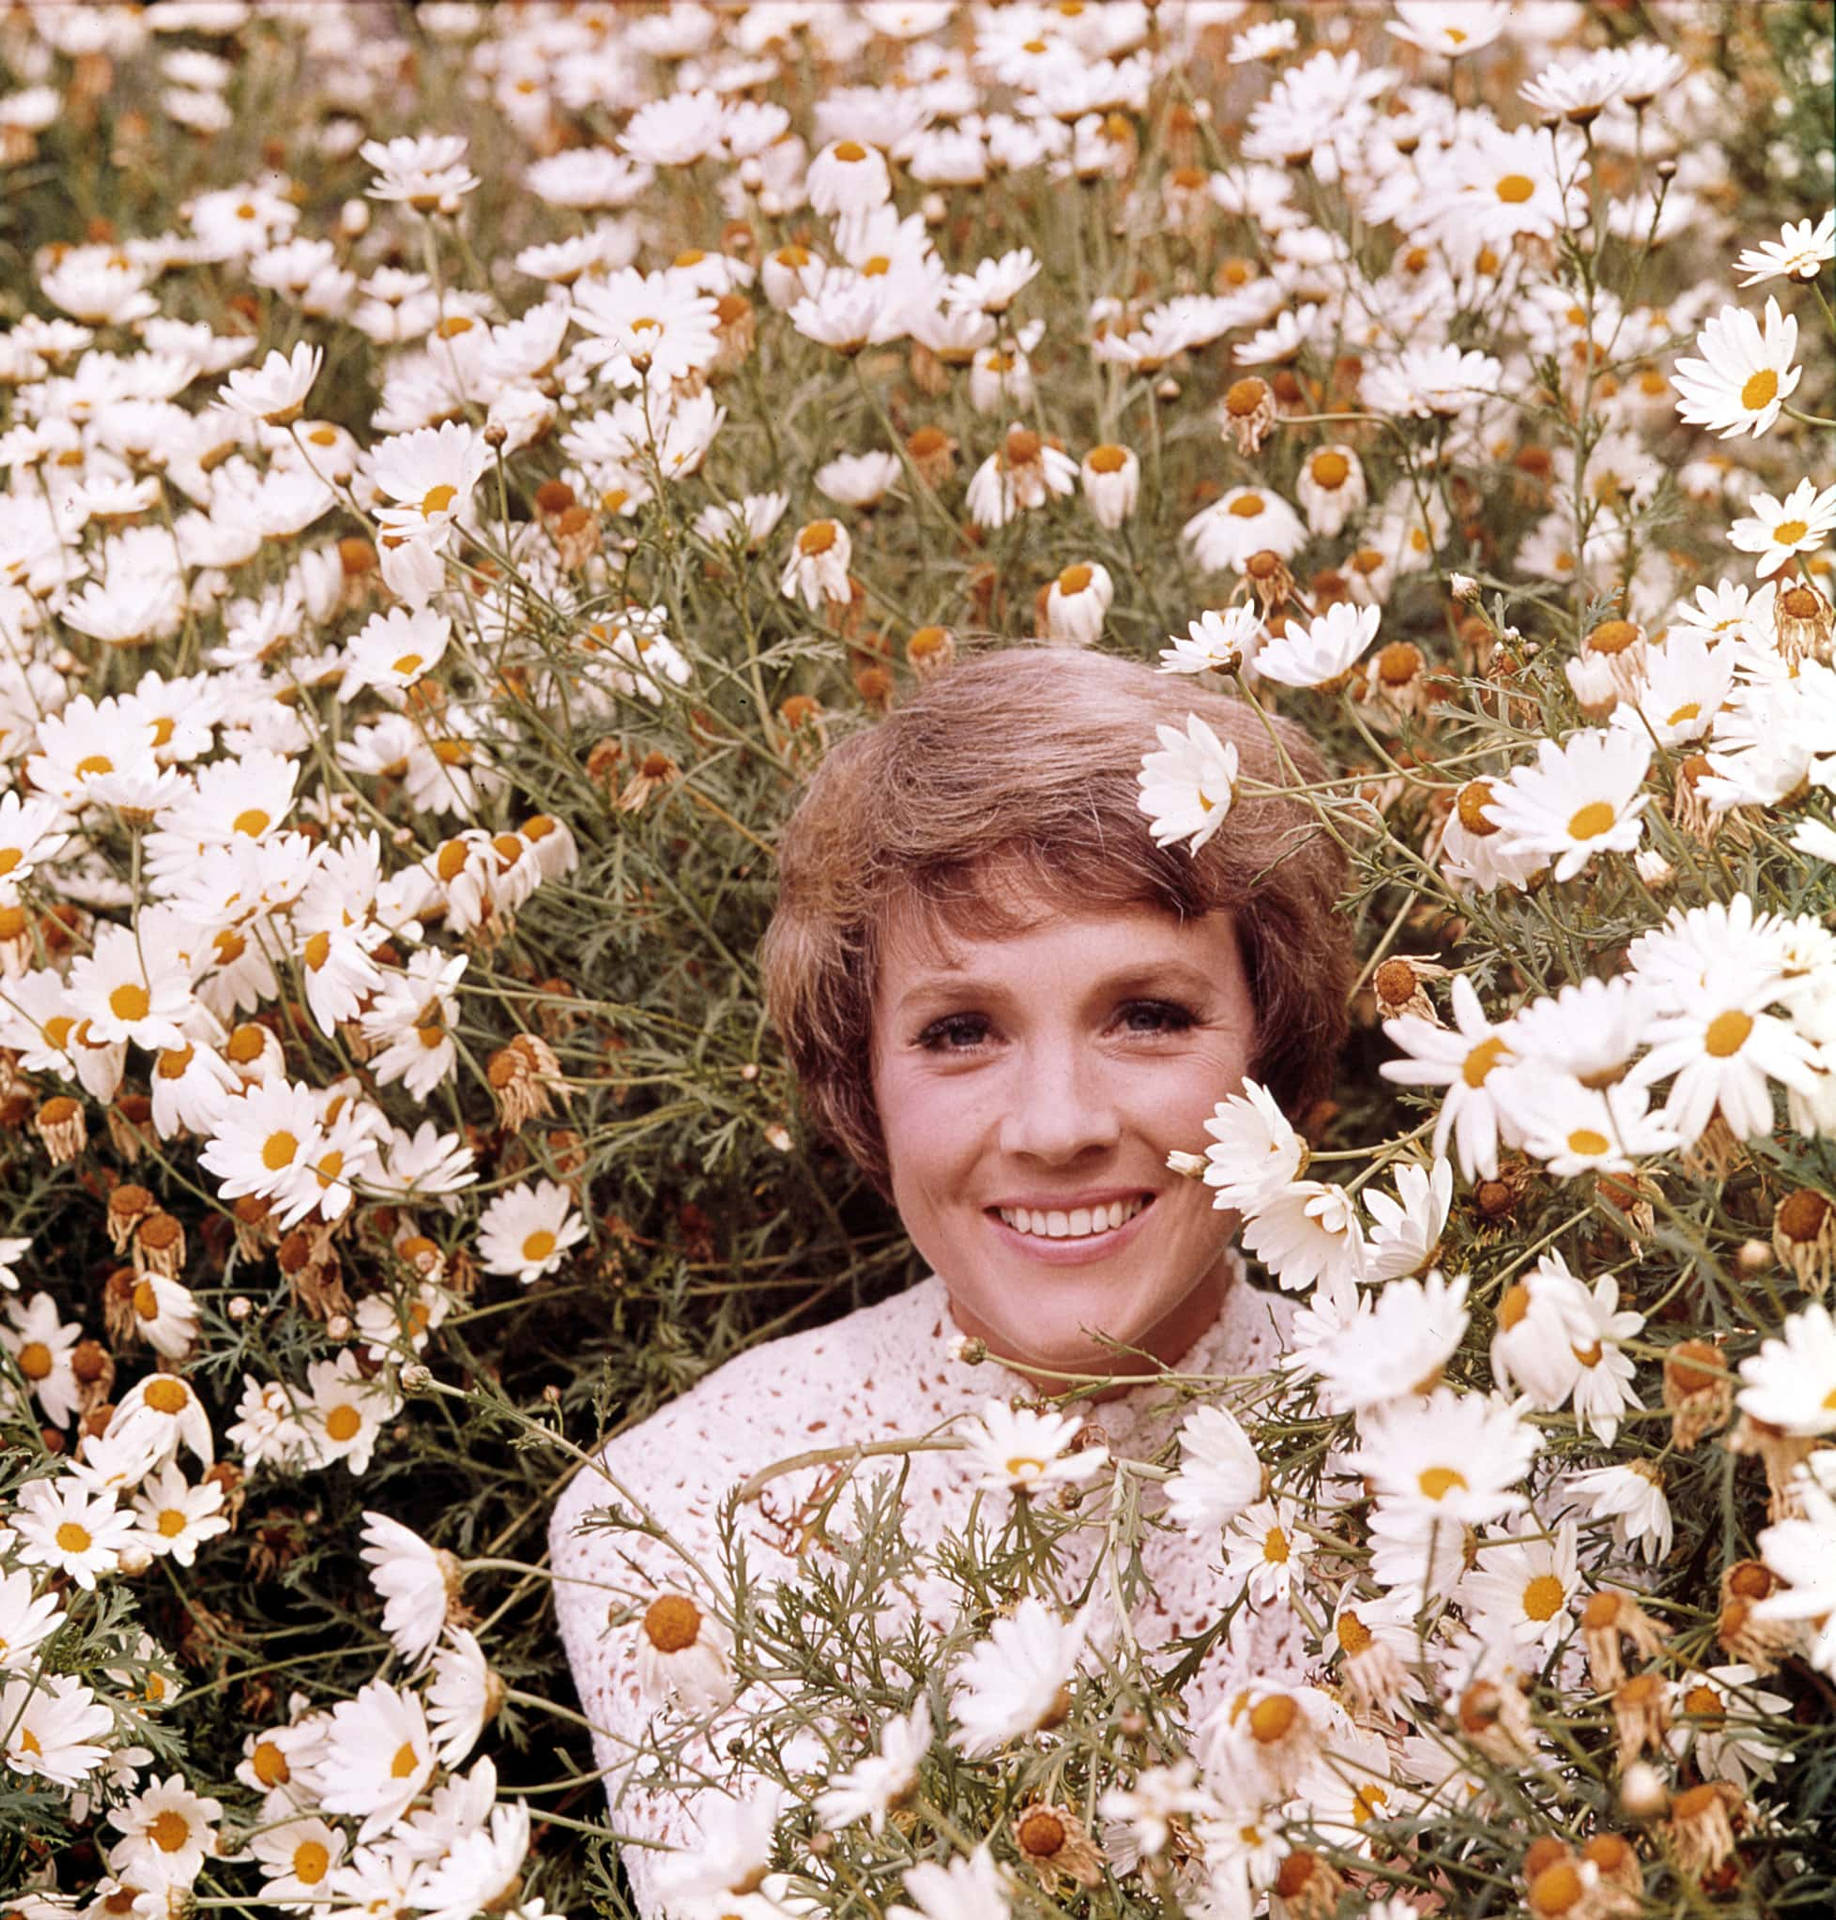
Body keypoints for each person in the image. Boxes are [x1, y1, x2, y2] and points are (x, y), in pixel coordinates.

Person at [548, 645, 1352, 1915]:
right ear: (858, 1085)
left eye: (1146, 1012)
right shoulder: (677, 1520)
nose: (1055, 1125)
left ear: (1279, 1054)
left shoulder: (1494, 1484)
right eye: (960, 1032)